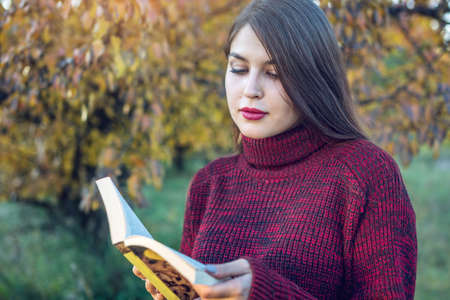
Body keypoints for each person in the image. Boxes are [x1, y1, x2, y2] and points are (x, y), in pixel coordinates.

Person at [133, 0, 417, 299]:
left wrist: (263, 293)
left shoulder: (364, 174)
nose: (251, 89)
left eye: (274, 73)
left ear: (313, 79)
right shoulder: (209, 182)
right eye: (239, 68)